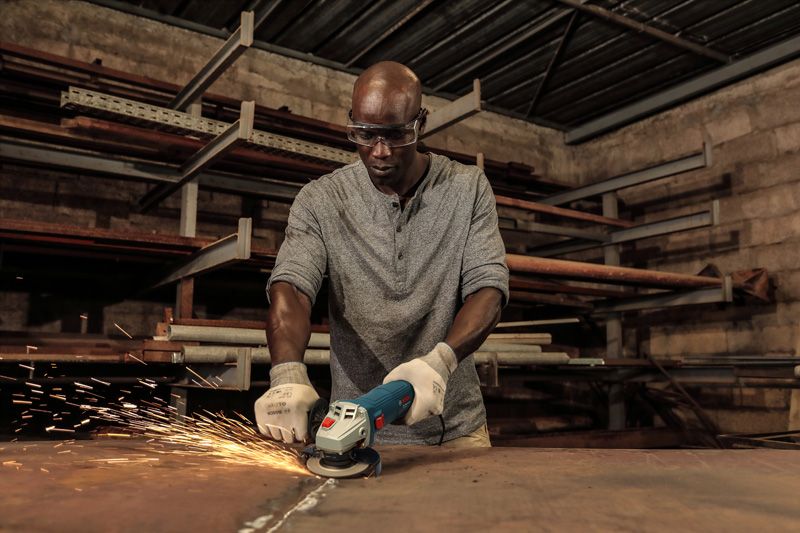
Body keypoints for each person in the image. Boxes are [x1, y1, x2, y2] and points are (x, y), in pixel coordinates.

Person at [254, 61, 508, 447]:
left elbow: (488, 289)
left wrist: (441, 362)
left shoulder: (467, 188)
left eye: (395, 135)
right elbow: (292, 287)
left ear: (420, 123)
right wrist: (286, 372)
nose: (379, 151)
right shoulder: (321, 200)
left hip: (454, 429)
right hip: (351, 432)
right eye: (364, 134)